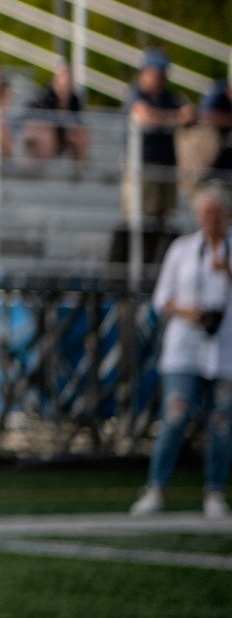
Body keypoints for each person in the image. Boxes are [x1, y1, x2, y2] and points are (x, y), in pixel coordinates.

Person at [132, 182, 232, 518]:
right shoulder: (183, 249)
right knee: (175, 416)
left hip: (226, 348)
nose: (213, 219)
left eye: (218, 213)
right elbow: (162, 298)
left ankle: (215, 492)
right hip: (186, 346)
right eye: (206, 213)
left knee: (221, 421)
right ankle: (155, 488)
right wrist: (189, 311)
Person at [131, 48, 195, 238]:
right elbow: (144, 117)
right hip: (144, 164)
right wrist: (175, 118)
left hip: (166, 163)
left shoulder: (169, 96)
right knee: (144, 218)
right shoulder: (136, 93)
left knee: (164, 218)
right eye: (157, 73)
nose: (161, 78)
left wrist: (170, 118)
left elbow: (190, 113)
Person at [22, 64, 89, 164]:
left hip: (62, 135)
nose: (66, 82)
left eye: (69, 79)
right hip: (42, 134)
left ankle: (79, 171)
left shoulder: (74, 100)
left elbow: (77, 121)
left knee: (81, 135)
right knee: (47, 136)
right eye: (63, 78)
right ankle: (39, 170)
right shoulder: (45, 96)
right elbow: (39, 117)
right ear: (55, 80)